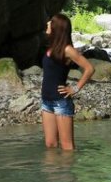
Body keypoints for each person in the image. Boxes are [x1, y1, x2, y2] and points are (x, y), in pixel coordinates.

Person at [40, 13, 94, 151]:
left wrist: (75, 88)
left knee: (67, 147)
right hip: (46, 101)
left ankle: (68, 172)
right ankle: (54, 172)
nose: (47, 24)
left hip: (61, 102)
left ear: (56, 27)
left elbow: (89, 68)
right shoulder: (51, 47)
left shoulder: (67, 49)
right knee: (50, 145)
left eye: (50, 22)